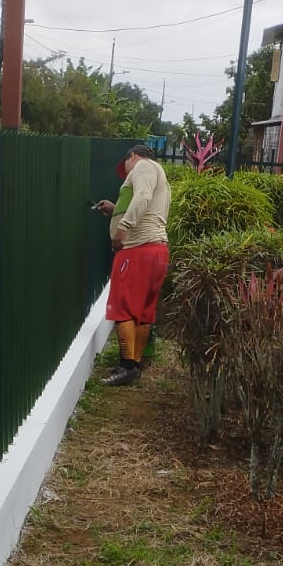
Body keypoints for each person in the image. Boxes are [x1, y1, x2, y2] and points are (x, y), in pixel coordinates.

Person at [94, 144, 171, 386]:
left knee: (123, 306)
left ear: (132, 156)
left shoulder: (143, 166)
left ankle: (126, 366)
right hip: (157, 250)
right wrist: (115, 210)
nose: (126, 172)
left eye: (125, 166)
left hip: (138, 250)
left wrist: (122, 228)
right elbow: (146, 205)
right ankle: (134, 364)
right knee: (144, 309)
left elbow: (142, 197)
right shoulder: (158, 174)